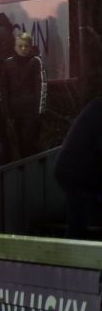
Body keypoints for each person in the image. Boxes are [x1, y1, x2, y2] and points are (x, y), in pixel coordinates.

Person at [54, 98, 102, 239]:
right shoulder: (98, 110)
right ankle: (70, 255)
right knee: (78, 220)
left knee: (80, 217)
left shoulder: (96, 107)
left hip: (77, 170)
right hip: (75, 172)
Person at [0, 32, 47, 160]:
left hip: (31, 112)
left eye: (26, 46)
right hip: (15, 112)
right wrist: (6, 111)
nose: (23, 49)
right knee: (19, 145)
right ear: (15, 47)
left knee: (30, 144)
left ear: (30, 47)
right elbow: (3, 88)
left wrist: (40, 111)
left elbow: (41, 85)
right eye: (20, 46)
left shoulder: (36, 61)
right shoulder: (8, 64)